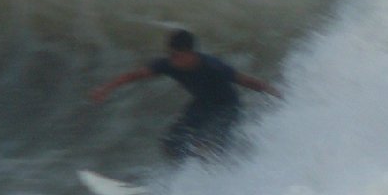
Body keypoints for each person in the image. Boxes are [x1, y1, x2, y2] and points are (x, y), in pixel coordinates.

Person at [91, 29, 282, 161]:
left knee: (207, 144)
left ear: (190, 53)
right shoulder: (168, 64)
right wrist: (106, 88)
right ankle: (185, 177)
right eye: (171, 54)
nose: (173, 60)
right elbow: (135, 75)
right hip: (202, 105)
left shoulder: (213, 66)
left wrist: (277, 94)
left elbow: (247, 81)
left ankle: (222, 174)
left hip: (227, 108)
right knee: (171, 143)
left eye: (177, 55)